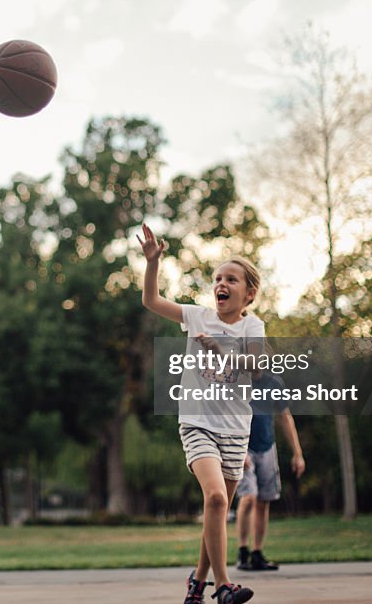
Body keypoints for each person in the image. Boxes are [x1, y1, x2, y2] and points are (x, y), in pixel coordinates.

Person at [138, 223, 259, 604]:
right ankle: (223, 586)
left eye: (232, 279)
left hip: (236, 430)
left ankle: (197, 583)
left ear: (248, 293)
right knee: (217, 500)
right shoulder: (197, 316)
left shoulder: (254, 327)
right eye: (218, 278)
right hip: (197, 424)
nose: (221, 284)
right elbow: (152, 301)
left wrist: (220, 351)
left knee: (216, 510)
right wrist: (153, 263)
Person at [235, 376, 305, 571]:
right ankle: (242, 552)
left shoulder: (273, 383)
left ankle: (257, 553)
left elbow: (285, 416)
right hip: (243, 449)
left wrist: (297, 453)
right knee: (248, 497)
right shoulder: (236, 381)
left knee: (264, 501)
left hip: (267, 447)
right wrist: (237, 449)